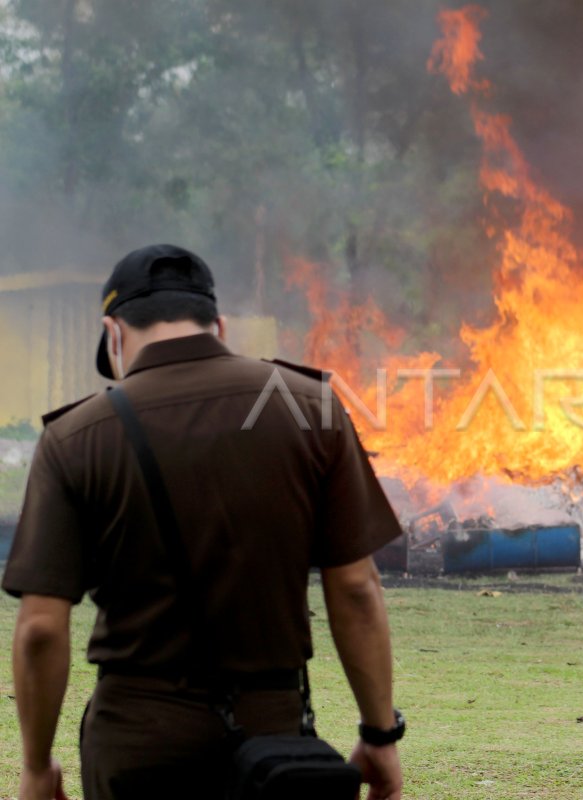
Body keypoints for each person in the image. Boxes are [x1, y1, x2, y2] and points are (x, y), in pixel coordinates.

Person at [4, 244, 407, 800]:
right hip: (272, 742)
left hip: (136, 743)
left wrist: (35, 765)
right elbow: (357, 589)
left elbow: (42, 628)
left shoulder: (75, 439)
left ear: (113, 334)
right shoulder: (310, 407)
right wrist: (378, 734)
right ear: (218, 324)